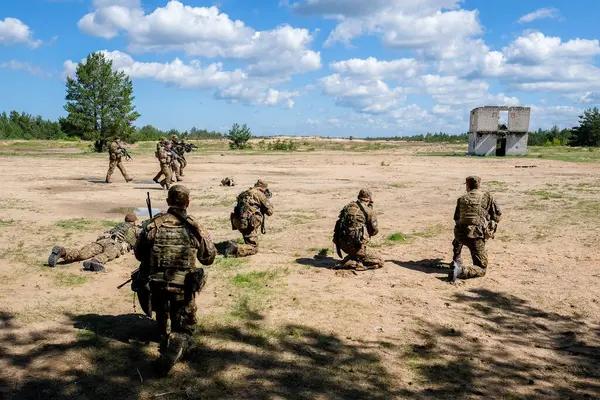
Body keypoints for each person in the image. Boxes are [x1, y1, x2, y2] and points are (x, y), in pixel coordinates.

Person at [133, 185, 216, 375]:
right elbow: (208, 257)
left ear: (168, 201)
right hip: (182, 287)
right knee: (185, 329)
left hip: (156, 284)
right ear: (187, 203)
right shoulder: (194, 226)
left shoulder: (154, 224)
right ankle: (175, 348)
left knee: (161, 306)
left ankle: (163, 332)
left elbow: (139, 254)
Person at [450, 176, 502, 282]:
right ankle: (460, 271)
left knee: (461, 227)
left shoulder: (461, 199)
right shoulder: (487, 197)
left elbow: (456, 218)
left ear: (467, 186)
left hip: (459, 235)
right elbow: (497, 215)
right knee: (481, 268)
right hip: (475, 237)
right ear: (479, 185)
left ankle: (456, 258)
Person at [47, 213, 141, 271]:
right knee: (110, 253)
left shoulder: (119, 225)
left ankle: (63, 252)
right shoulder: (134, 228)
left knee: (83, 253)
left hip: (103, 239)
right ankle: (96, 261)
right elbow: (144, 236)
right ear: (133, 222)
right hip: (116, 243)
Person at [332, 189, 384, 271]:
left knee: (357, 252)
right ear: (369, 199)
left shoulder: (348, 207)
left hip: (342, 244)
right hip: (357, 247)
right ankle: (353, 263)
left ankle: (353, 258)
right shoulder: (369, 211)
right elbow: (374, 231)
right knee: (379, 261)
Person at [225, 180, 273, 257]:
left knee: (248, 237)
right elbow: (270, 212)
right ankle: (235, 248)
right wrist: (268, 201)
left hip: (237, 221)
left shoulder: (245, 193)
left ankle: (240, 244)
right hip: (247, 223)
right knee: (253, 248)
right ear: (262, 189)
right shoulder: (260, 195)